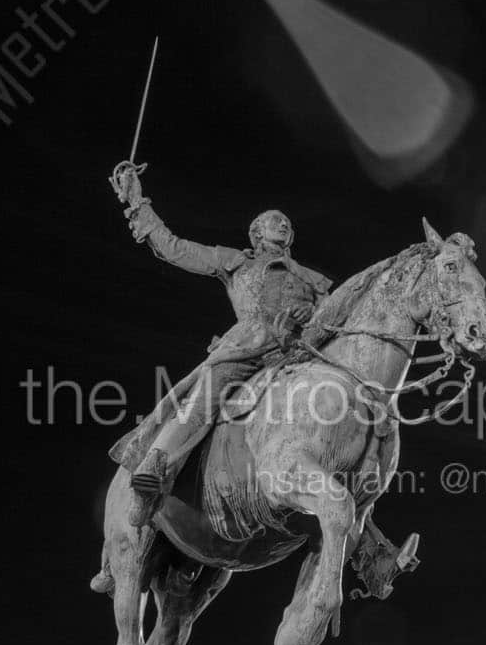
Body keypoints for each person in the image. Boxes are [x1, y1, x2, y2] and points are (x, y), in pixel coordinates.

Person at [108, 160, 334, 528]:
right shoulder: (235, 262)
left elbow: (330, 320)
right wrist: (137, 201)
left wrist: (307, 327)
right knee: (207, 395)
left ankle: (367, 540)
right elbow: (174, 248)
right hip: (248, 348)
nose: (284, 224)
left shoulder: (312, 279)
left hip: (298, 355)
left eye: (287, 223)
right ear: (256, 234)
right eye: (274, 220)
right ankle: (155, 465)